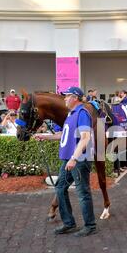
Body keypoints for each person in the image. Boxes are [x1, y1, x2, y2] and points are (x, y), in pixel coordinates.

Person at [49, 86, 96, 237]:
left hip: (78, 159)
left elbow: (85, 138)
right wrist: (45, 136)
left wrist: (74, 158)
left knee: (82, 192)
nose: (64, 98)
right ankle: (69, 223)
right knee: (60, 188)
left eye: (67, 96)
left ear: (75, 97)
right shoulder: (71, 114)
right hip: (69, 159)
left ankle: (90, 225)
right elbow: (64, 135)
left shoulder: (82, 113)